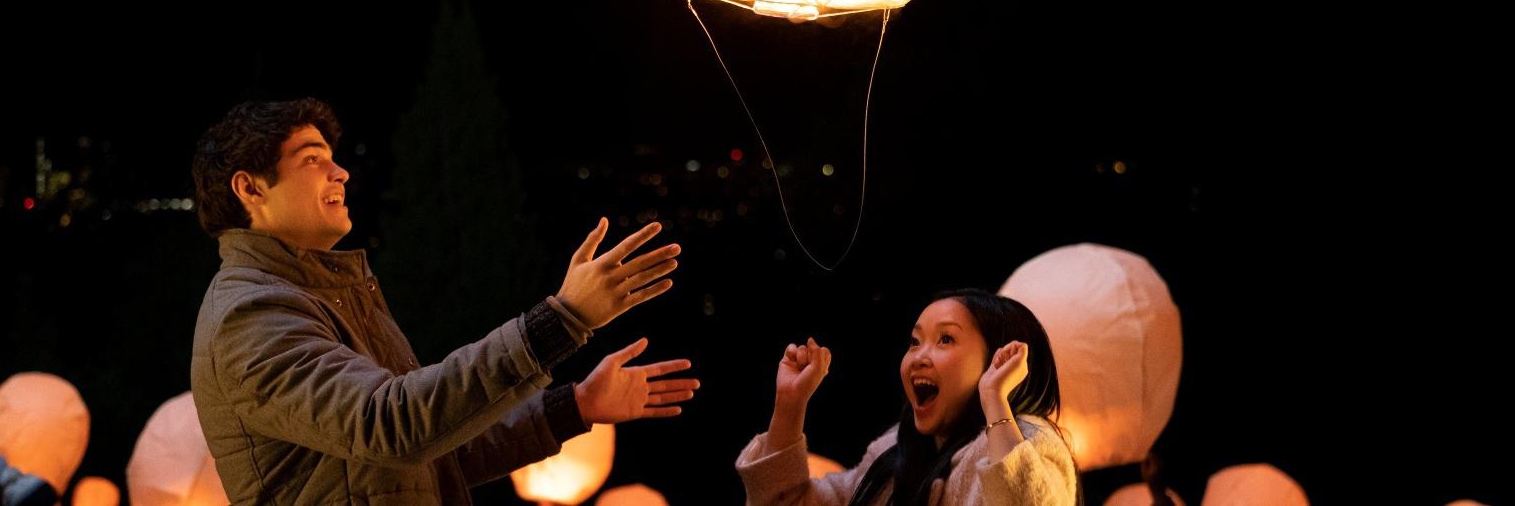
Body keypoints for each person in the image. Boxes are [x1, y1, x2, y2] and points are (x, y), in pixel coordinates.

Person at [189, 98, 698, 505]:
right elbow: (390, 424)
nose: (340, 172)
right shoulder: (250, 315)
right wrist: (561, 321)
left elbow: (435, 453)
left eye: (332, 157)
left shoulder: (323, 295)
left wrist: (575, 407)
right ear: (250, 188)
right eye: (311, 159)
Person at [738, 288, 1078, 506]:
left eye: (946, 339)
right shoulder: (893, 454)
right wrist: (790, 404)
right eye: (915, 342)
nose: (919, 357)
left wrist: (994, 398)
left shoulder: (1030, 442)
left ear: (997, 359)